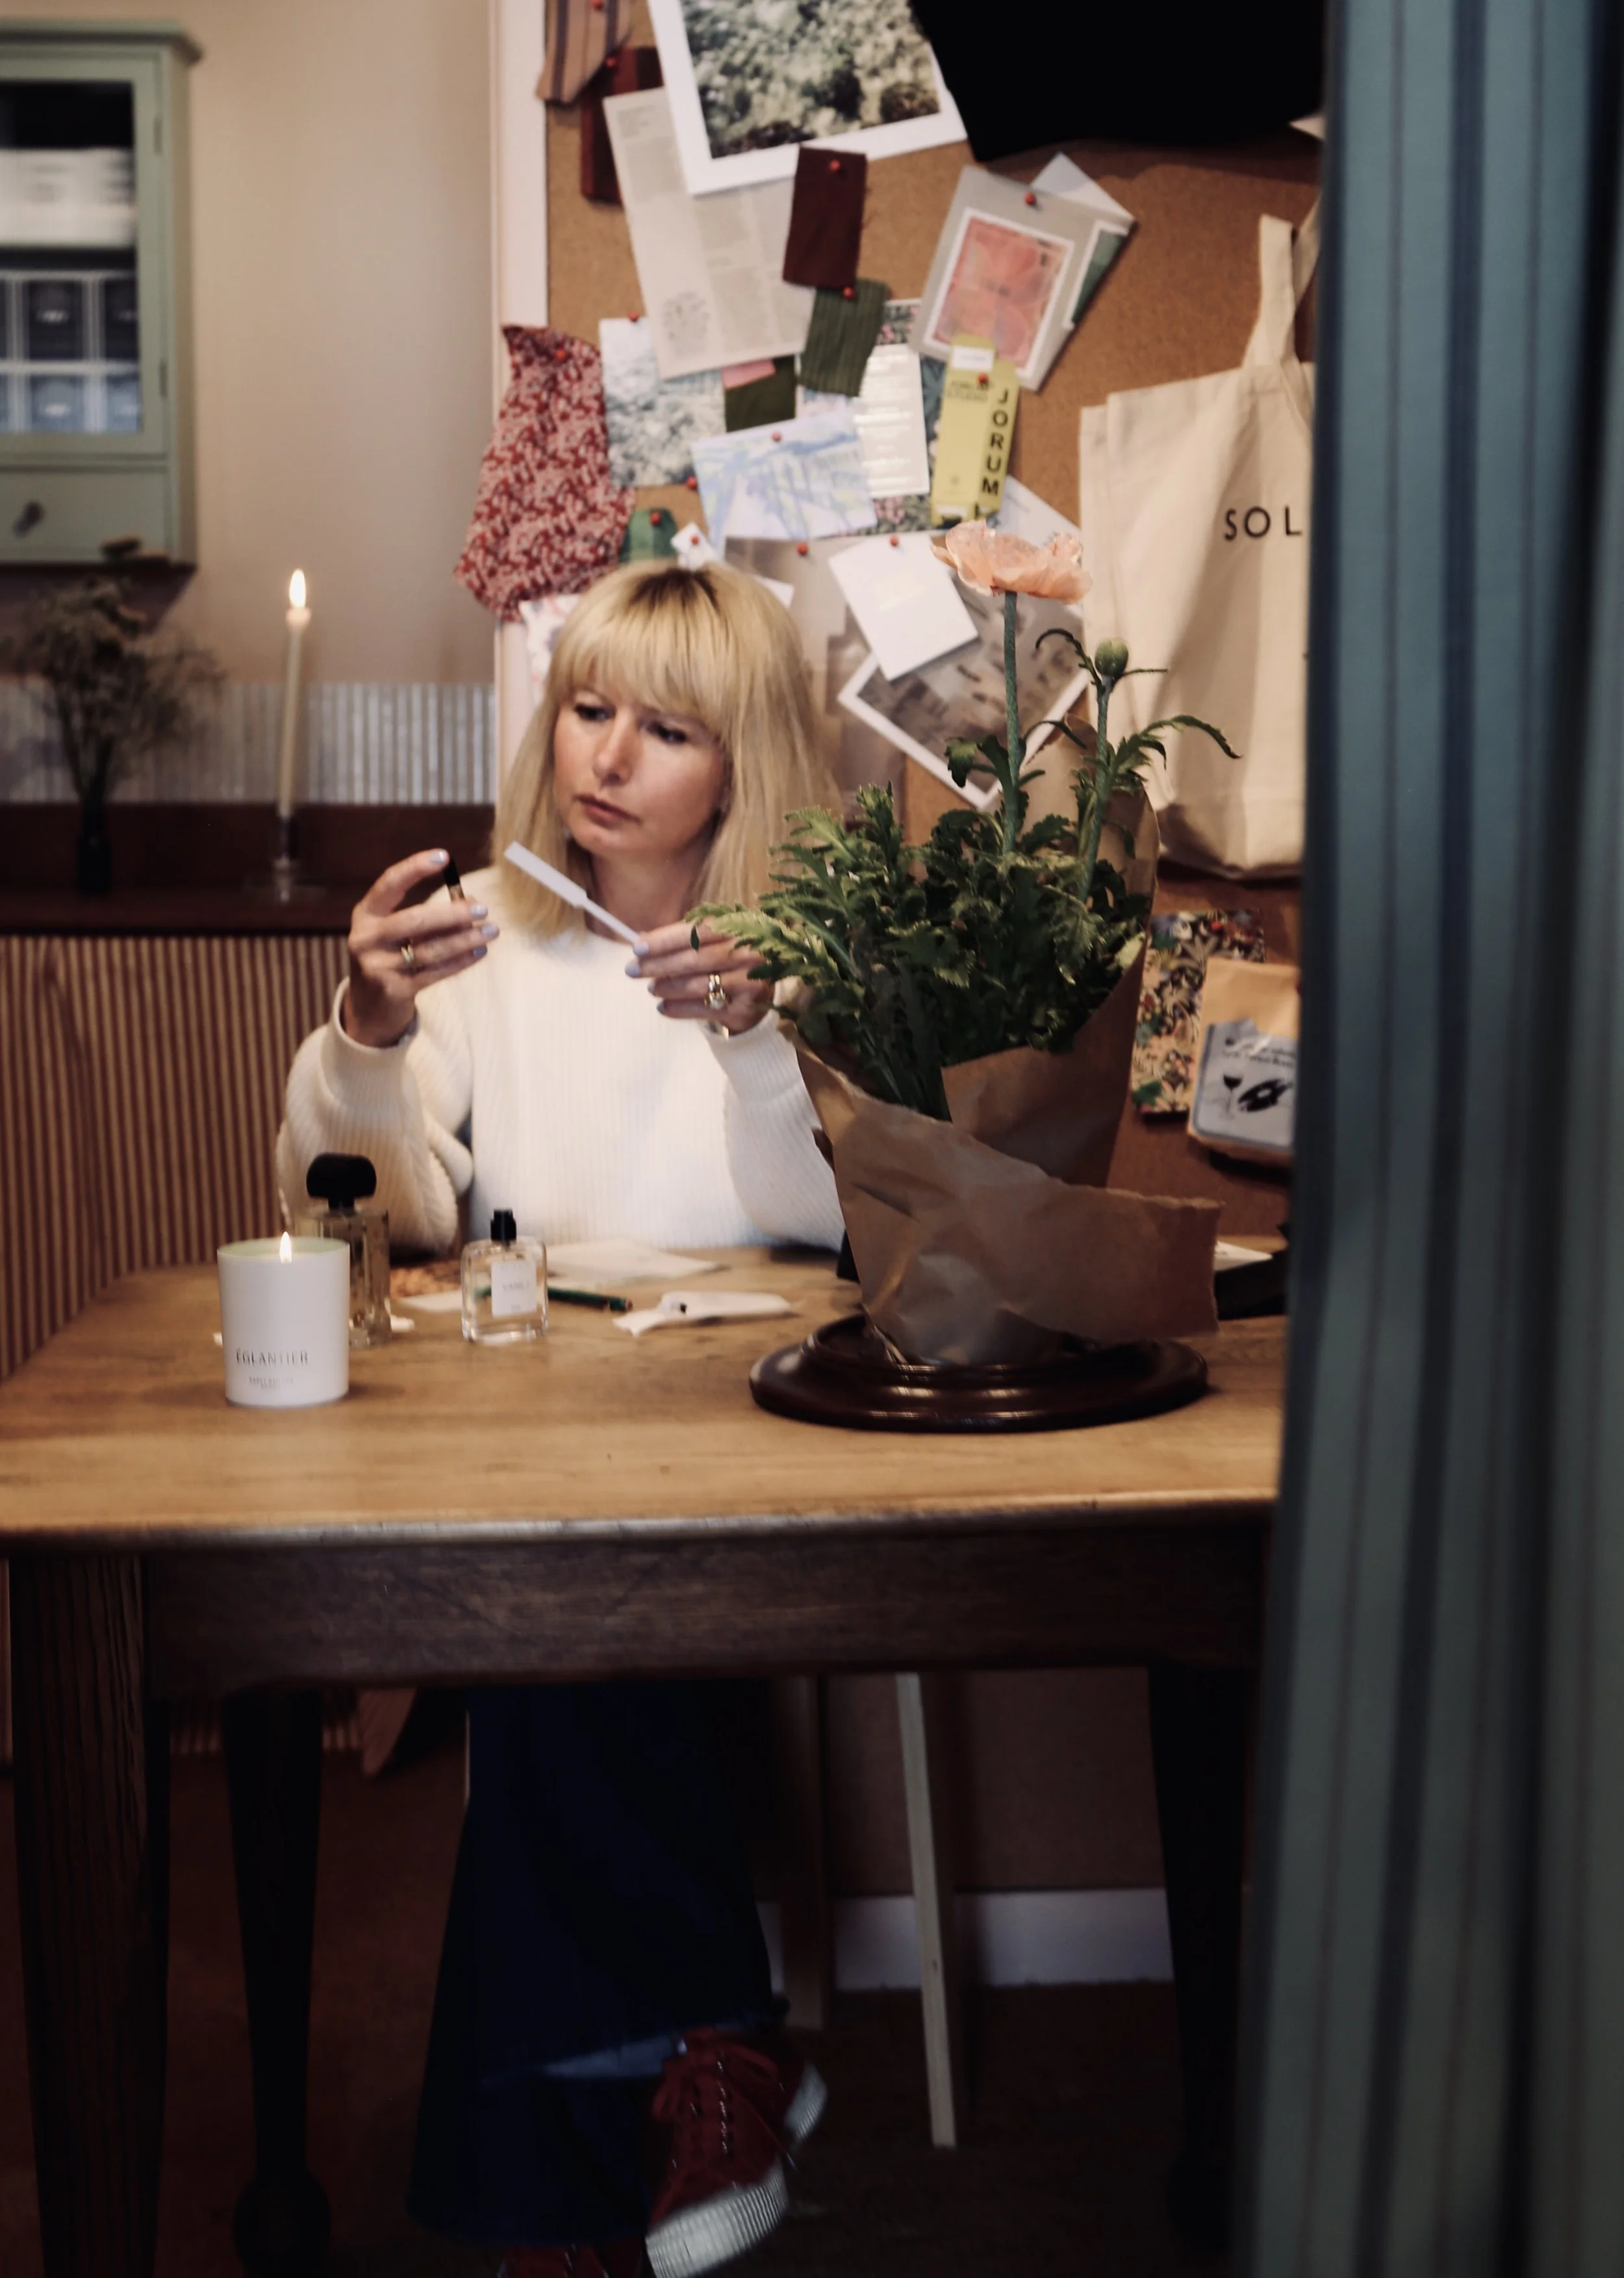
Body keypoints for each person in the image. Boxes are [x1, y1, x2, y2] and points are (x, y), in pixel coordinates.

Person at [277, 561, 846, 2278]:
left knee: (554, 1620)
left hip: (757, 1427)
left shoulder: (800, 956)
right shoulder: (486, 949)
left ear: (740, 767)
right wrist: (367, 1034)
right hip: (547, 1423)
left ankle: (572, 2144)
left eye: (666, 729)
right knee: (549, 1587)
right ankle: (712, 2056)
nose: (607, 757)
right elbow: (379, 1215)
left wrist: (756, 1040)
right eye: (588, 709)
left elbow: (831, 1237)